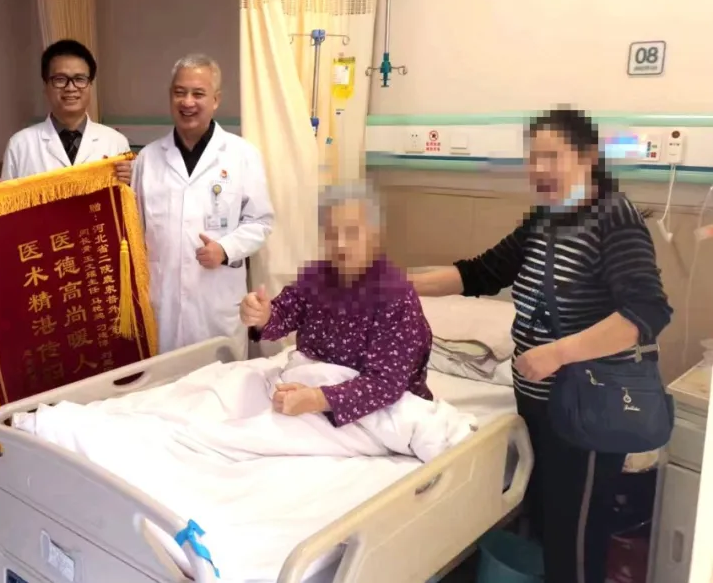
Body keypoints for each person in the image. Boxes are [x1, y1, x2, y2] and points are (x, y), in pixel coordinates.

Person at [409, 109, 673, 583]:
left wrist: (558, 353)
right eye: (533, 158)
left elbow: (647, 312)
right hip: (539, 404)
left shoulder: (614, 218)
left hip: (587, 408)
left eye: (552, 156)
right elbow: (481, 272)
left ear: (587, 157)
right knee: (549, 530)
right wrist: (398, 285)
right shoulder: (546, 220)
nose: (539, 168)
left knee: (576, 542)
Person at [240, 183, 432, 422]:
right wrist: (262, 315)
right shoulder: (315, 278)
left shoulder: (395, 296)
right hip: (306, 386)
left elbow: (386, 383)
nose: (340, 244)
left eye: (351, 233)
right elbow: (282, 315)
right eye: (332, 234)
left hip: (373, 410)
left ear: (375, 236)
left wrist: (317, 399)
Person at [132, 53, 274, 360]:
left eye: (198, 93)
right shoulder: (148, 159)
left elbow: (260, 221)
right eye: (179, 92)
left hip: (216, 303)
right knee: (163, 384)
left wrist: (225, 249)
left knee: (220, 385)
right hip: (163, 304)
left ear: (216, 100)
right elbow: (134, 231)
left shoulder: (242, 155)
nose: (188, 102)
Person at [1, 39, 132, 183]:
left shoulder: (115, 142)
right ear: (45, 85)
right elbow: (8, 196)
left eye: (79, 79)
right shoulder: (20, 144)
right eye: (60, 79)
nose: (71, 88)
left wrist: (130, 180)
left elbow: (127, 195)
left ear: (90, 85)